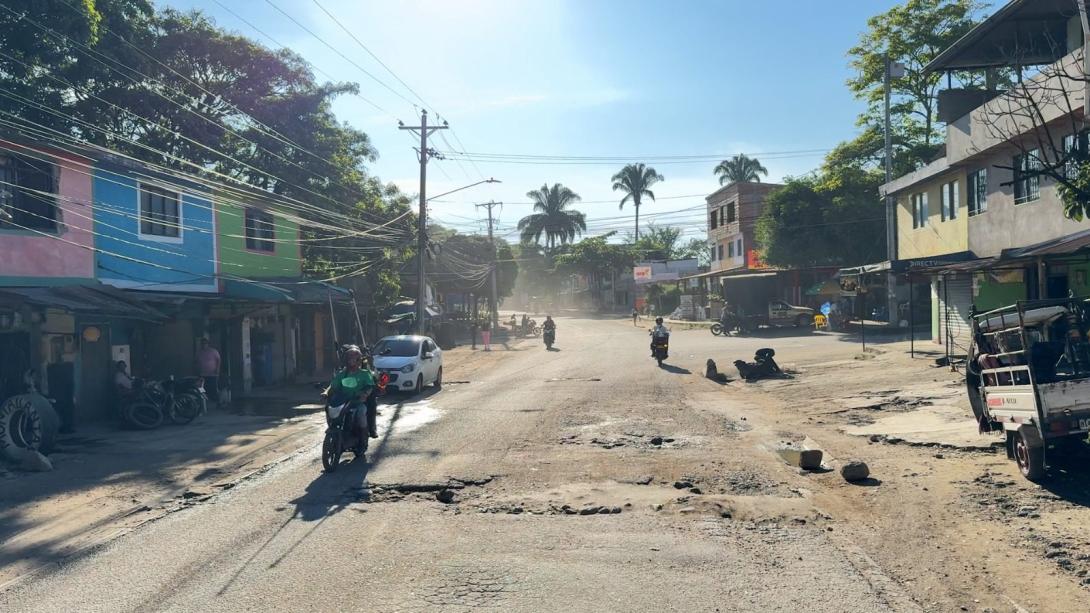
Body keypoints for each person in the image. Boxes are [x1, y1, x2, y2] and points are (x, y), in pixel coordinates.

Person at [326, 345, 378, 438]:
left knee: (361, 413)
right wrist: (326, 393)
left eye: (354, 359)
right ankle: (333, 426)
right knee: (330, 409)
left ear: (359, 360)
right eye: (349, 359)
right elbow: (333, 386)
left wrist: (364, 394)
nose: (351, 362)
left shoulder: (365, 374)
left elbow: (369, 387)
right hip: (343, 403)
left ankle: (363, 437)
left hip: (357, 403)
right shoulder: (341, 374)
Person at [197, 338, 221, 408]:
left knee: (213, 388)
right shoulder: (199, 352)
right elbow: (197, 362)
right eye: (202, 344)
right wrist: (197, 370)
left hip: (212, 374)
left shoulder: (213, 351)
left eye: (205, 344)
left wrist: (217, 369)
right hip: (202, 374)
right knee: (202, 388)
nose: (204, 345)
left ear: (208, 344)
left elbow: (218, 360)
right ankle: (205, 402)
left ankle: (217, 402)